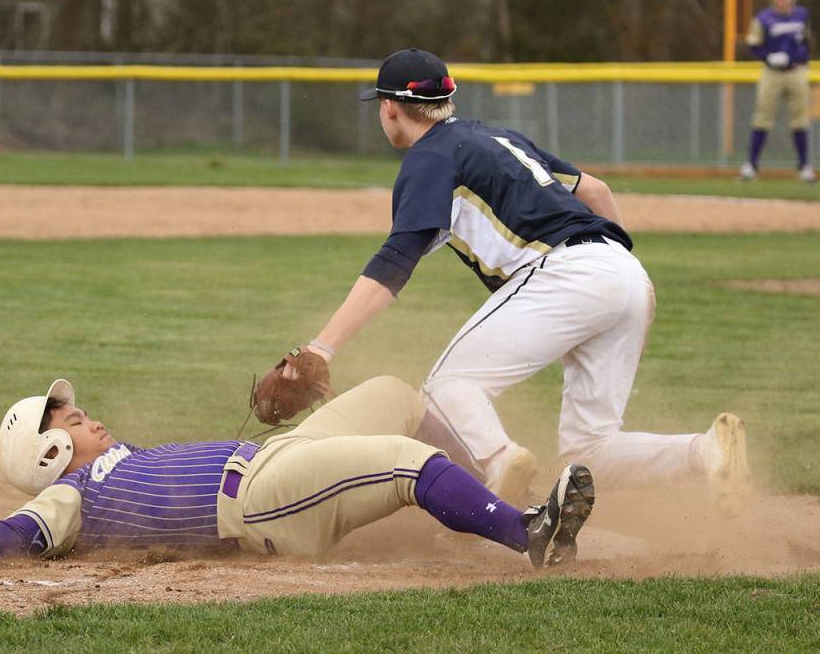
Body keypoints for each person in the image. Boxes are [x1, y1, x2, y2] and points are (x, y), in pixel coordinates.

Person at [277, 48, 751, 508]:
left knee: (447, 388)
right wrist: (622, 290)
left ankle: (501, 461)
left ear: (390, 108)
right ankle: (705, 451)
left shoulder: (430, 157)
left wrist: (323, 347)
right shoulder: (499, 138)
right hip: (624, 270)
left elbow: (395, 261)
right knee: (591, 450)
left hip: (566, 272)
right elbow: (597, 191)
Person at [0, 376, 595, 570]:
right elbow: (14, 532)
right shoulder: (70, 499)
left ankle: (484, 503)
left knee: (395, 395)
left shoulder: (121, 459)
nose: (83, 414)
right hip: (261, 505)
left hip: (273, 464)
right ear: (49, 455)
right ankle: (531, 535)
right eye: (68, 421)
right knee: (405, 463)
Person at [740, 0, 815, 183]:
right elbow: (753, 43)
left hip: (796, 71)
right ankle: (751, 166)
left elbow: (807, 40)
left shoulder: (802, 15)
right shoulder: (763, 18)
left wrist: (799, 58)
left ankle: (804, 167)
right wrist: (768, 57)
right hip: (772, 73)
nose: (782, 0)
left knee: (800, 119)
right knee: (762, 117)